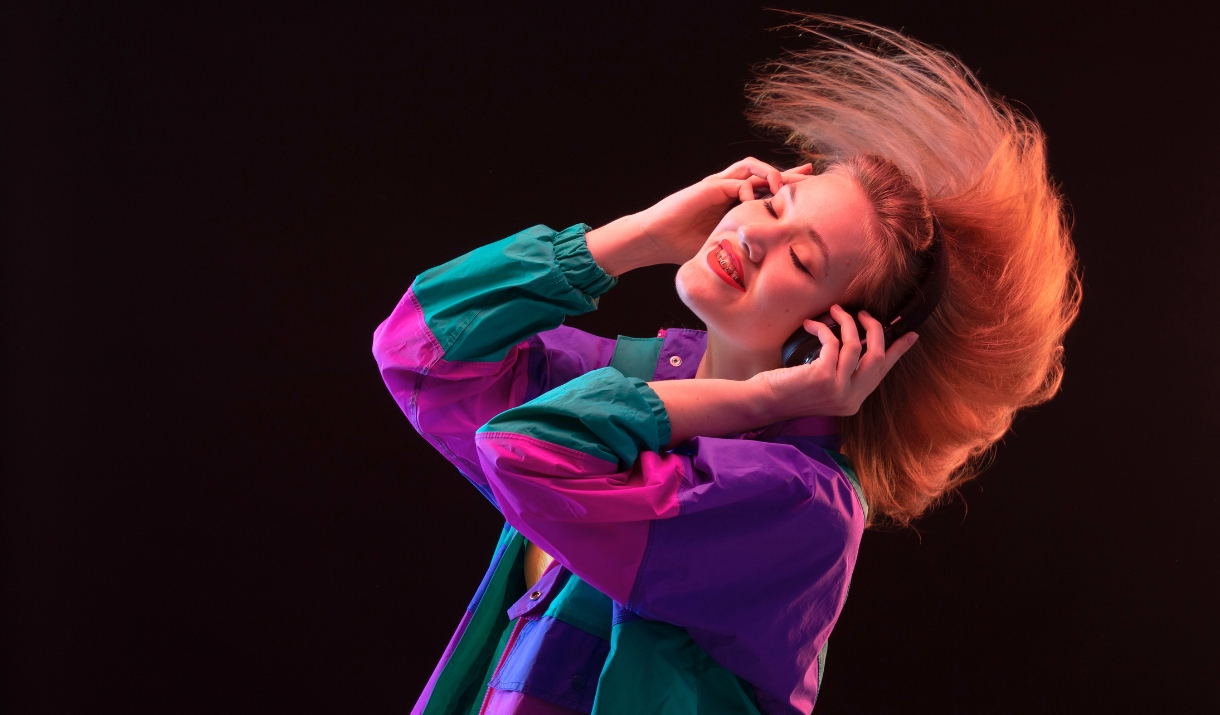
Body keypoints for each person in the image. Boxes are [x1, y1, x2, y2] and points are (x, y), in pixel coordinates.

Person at [373, 16, 1080, 715]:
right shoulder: (645, 372)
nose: (753, 233)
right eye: (775, 201)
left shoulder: (800, 507)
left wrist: (756, 402)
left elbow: (524, 452)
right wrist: (637, 236)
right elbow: (421, 352)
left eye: (802, 259)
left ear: (839, 337)